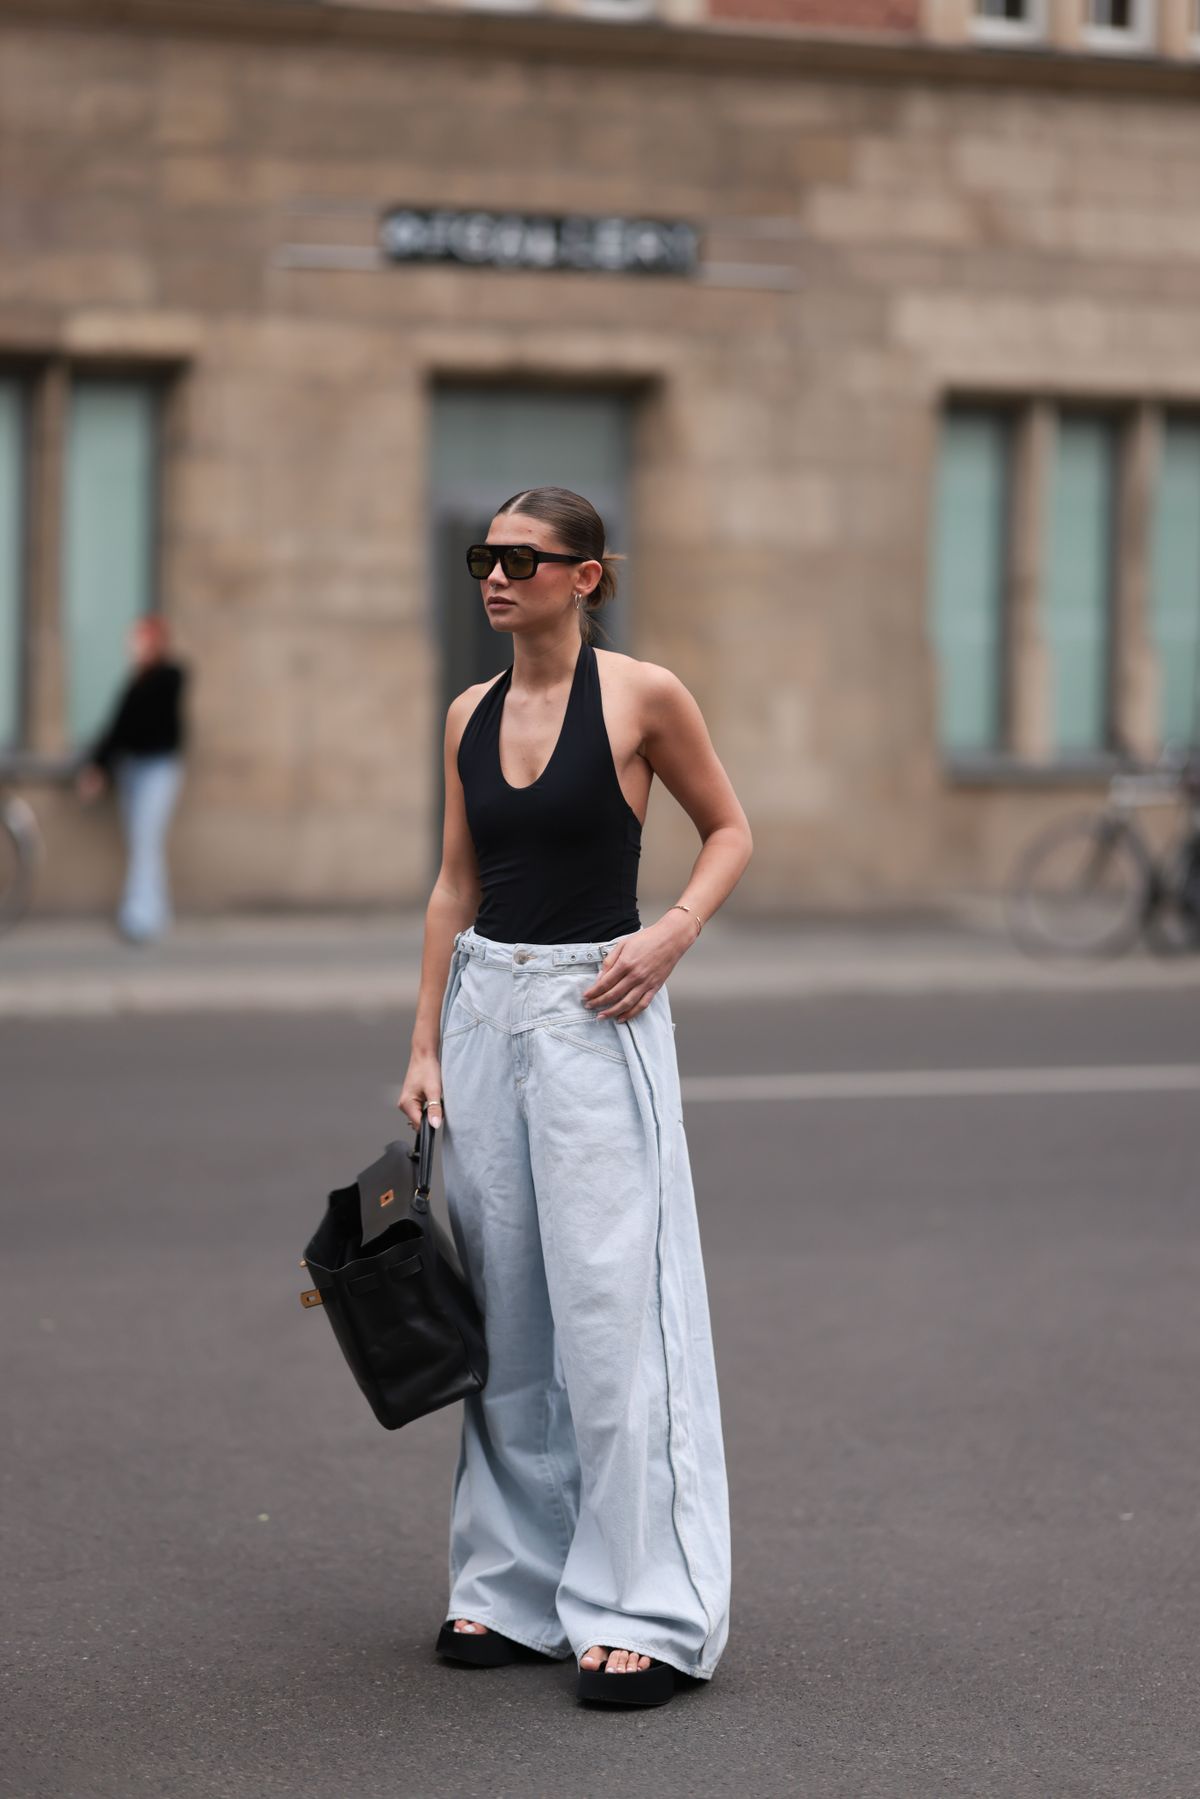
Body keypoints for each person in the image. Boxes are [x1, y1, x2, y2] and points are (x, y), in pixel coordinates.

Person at [399, 486, 753, 1709]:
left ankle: (647, 1607)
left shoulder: (644, 694)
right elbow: (453, 885)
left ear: (587, 575)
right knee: (503, 1316)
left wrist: (672, 934)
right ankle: (508, 1586)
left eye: (522, 558)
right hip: (487, 1014)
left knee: (612, 1322)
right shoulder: (466, 711)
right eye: (481, 557)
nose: (495, 577)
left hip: (598, 1014)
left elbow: (730, 829)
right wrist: (426, 1043)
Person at [75, 615, 188, 944]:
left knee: (146, 840)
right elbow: (116, 730)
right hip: (133, 770)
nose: (132, 646)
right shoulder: (135, 682)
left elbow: (139, 721)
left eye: (139, 639)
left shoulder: (168, 677)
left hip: (159, 769)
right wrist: (98, 766)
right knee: (142, 842)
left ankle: (140, 915)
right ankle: (156, 911)